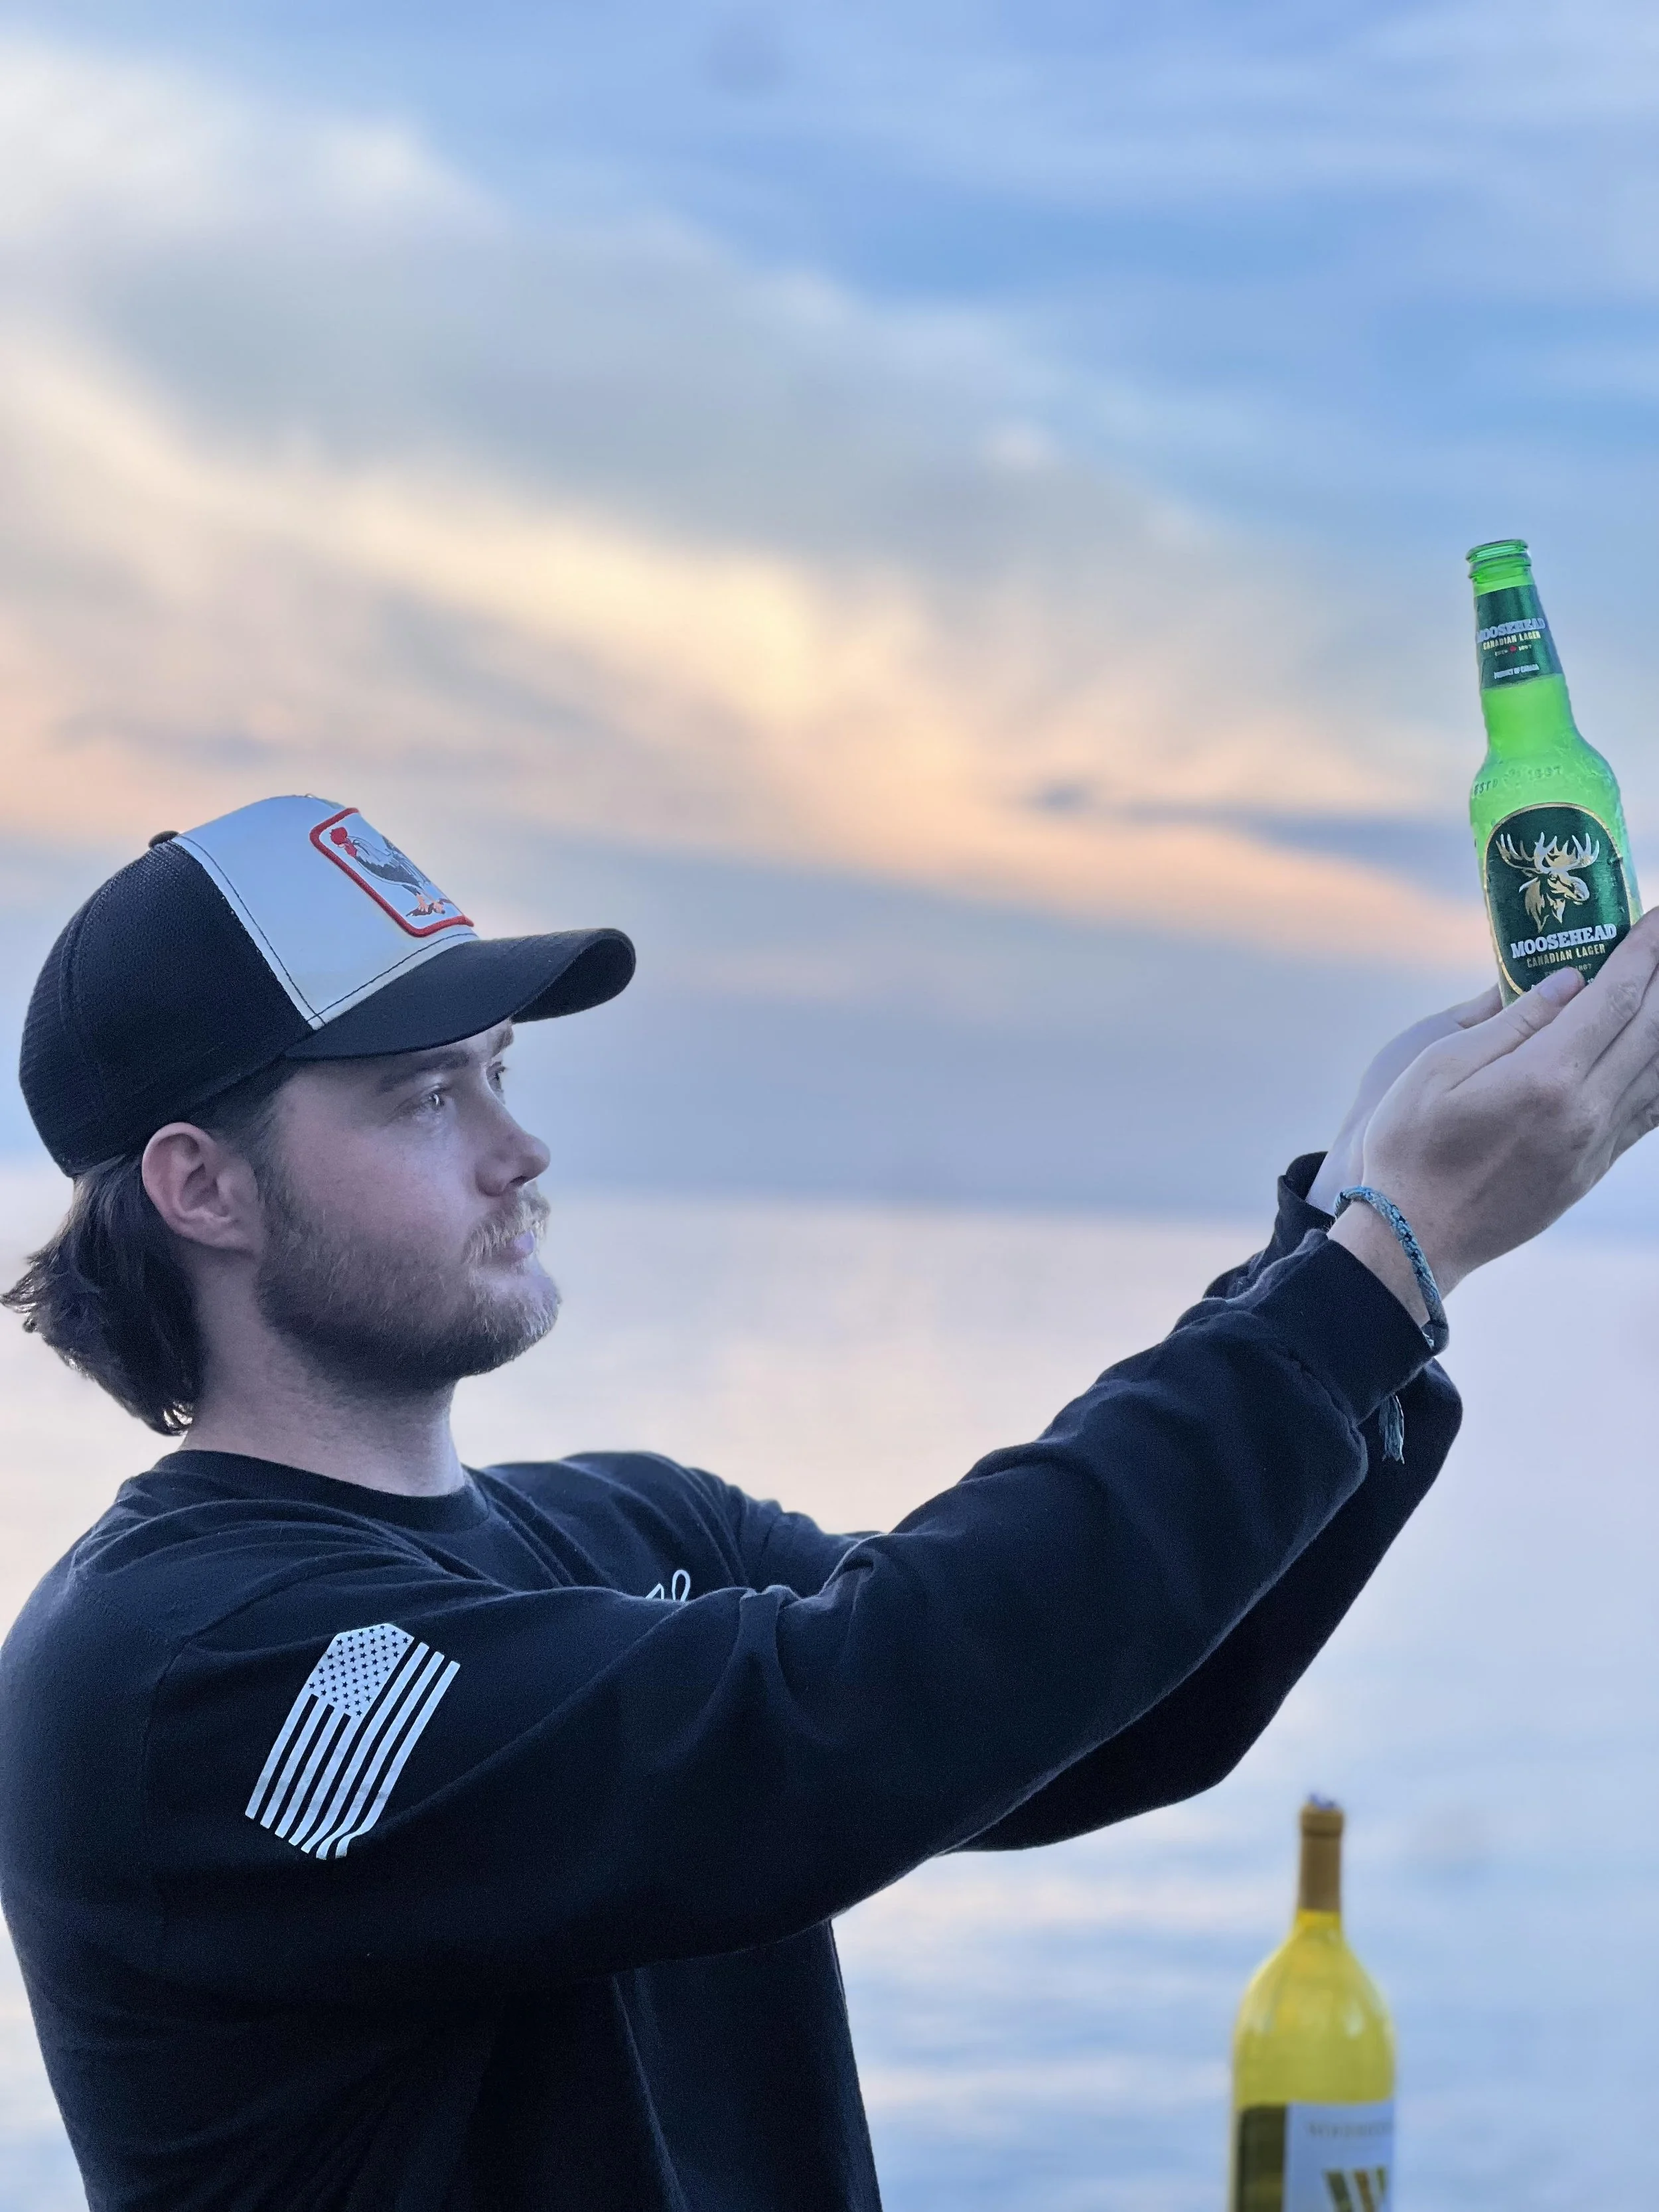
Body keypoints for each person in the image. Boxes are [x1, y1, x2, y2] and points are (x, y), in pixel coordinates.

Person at [2, 794, 1657, 2212]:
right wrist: (1373, 1266)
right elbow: (842, 1723)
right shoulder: (179, 1678)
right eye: (427, 1094)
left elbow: (1077, 1712)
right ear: (200, 1184)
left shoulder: (626, 1533)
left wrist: (1353, 1234)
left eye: (500, 1069)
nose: (522, 1147)